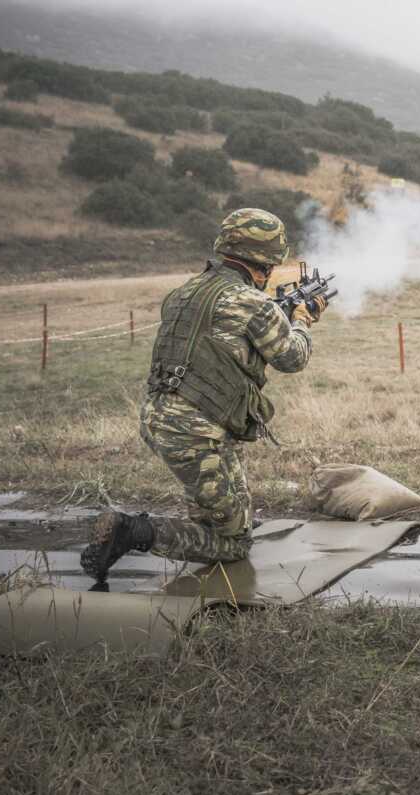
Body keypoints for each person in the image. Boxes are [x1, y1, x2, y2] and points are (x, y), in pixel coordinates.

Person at [81, 208, 328, 584]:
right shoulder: (253, 303)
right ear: (265, 260)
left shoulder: (184, 291)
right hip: (195, 432)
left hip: (163, 417)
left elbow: (220, 339)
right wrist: (302, 320)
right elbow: (292, 357)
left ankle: (209, 519)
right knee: (233, 543)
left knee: (226, 513)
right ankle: (132, 532)